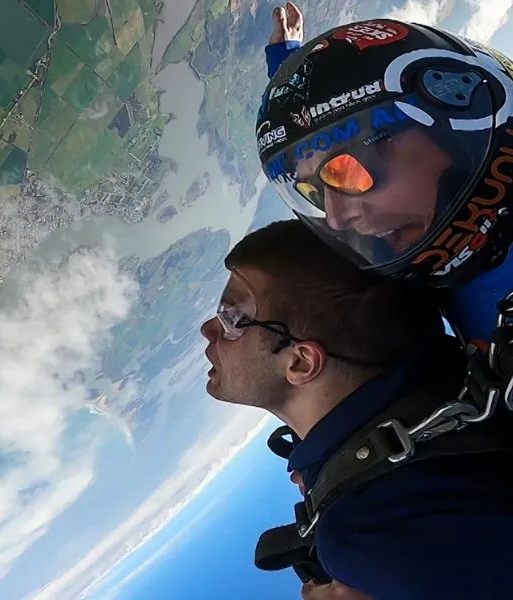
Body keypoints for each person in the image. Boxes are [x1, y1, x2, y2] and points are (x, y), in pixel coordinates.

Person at [201, 219, 513, 599]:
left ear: (301, 362)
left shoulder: (367, 536)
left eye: (232, 318)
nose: (209, 329)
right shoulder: (447, 376)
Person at [257, 7, 513, 349]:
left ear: (457, 127)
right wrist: (289, 69)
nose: (335, 218)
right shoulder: (430, 261)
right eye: (314, 192)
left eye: (344, 172)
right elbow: (333, 118)